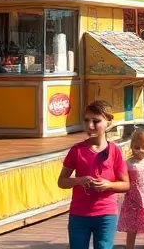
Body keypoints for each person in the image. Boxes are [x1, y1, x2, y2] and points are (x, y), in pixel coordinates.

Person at [59, 100, 130, 249]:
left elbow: (125, 184)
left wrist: (108, 185)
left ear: (108, 123)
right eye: (86, 120)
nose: (90, 126)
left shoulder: (114, 150)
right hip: (79, 214)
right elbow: (62, 181)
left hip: (106, 215)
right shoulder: (77, 150)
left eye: (96, 121)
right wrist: (79, 180)